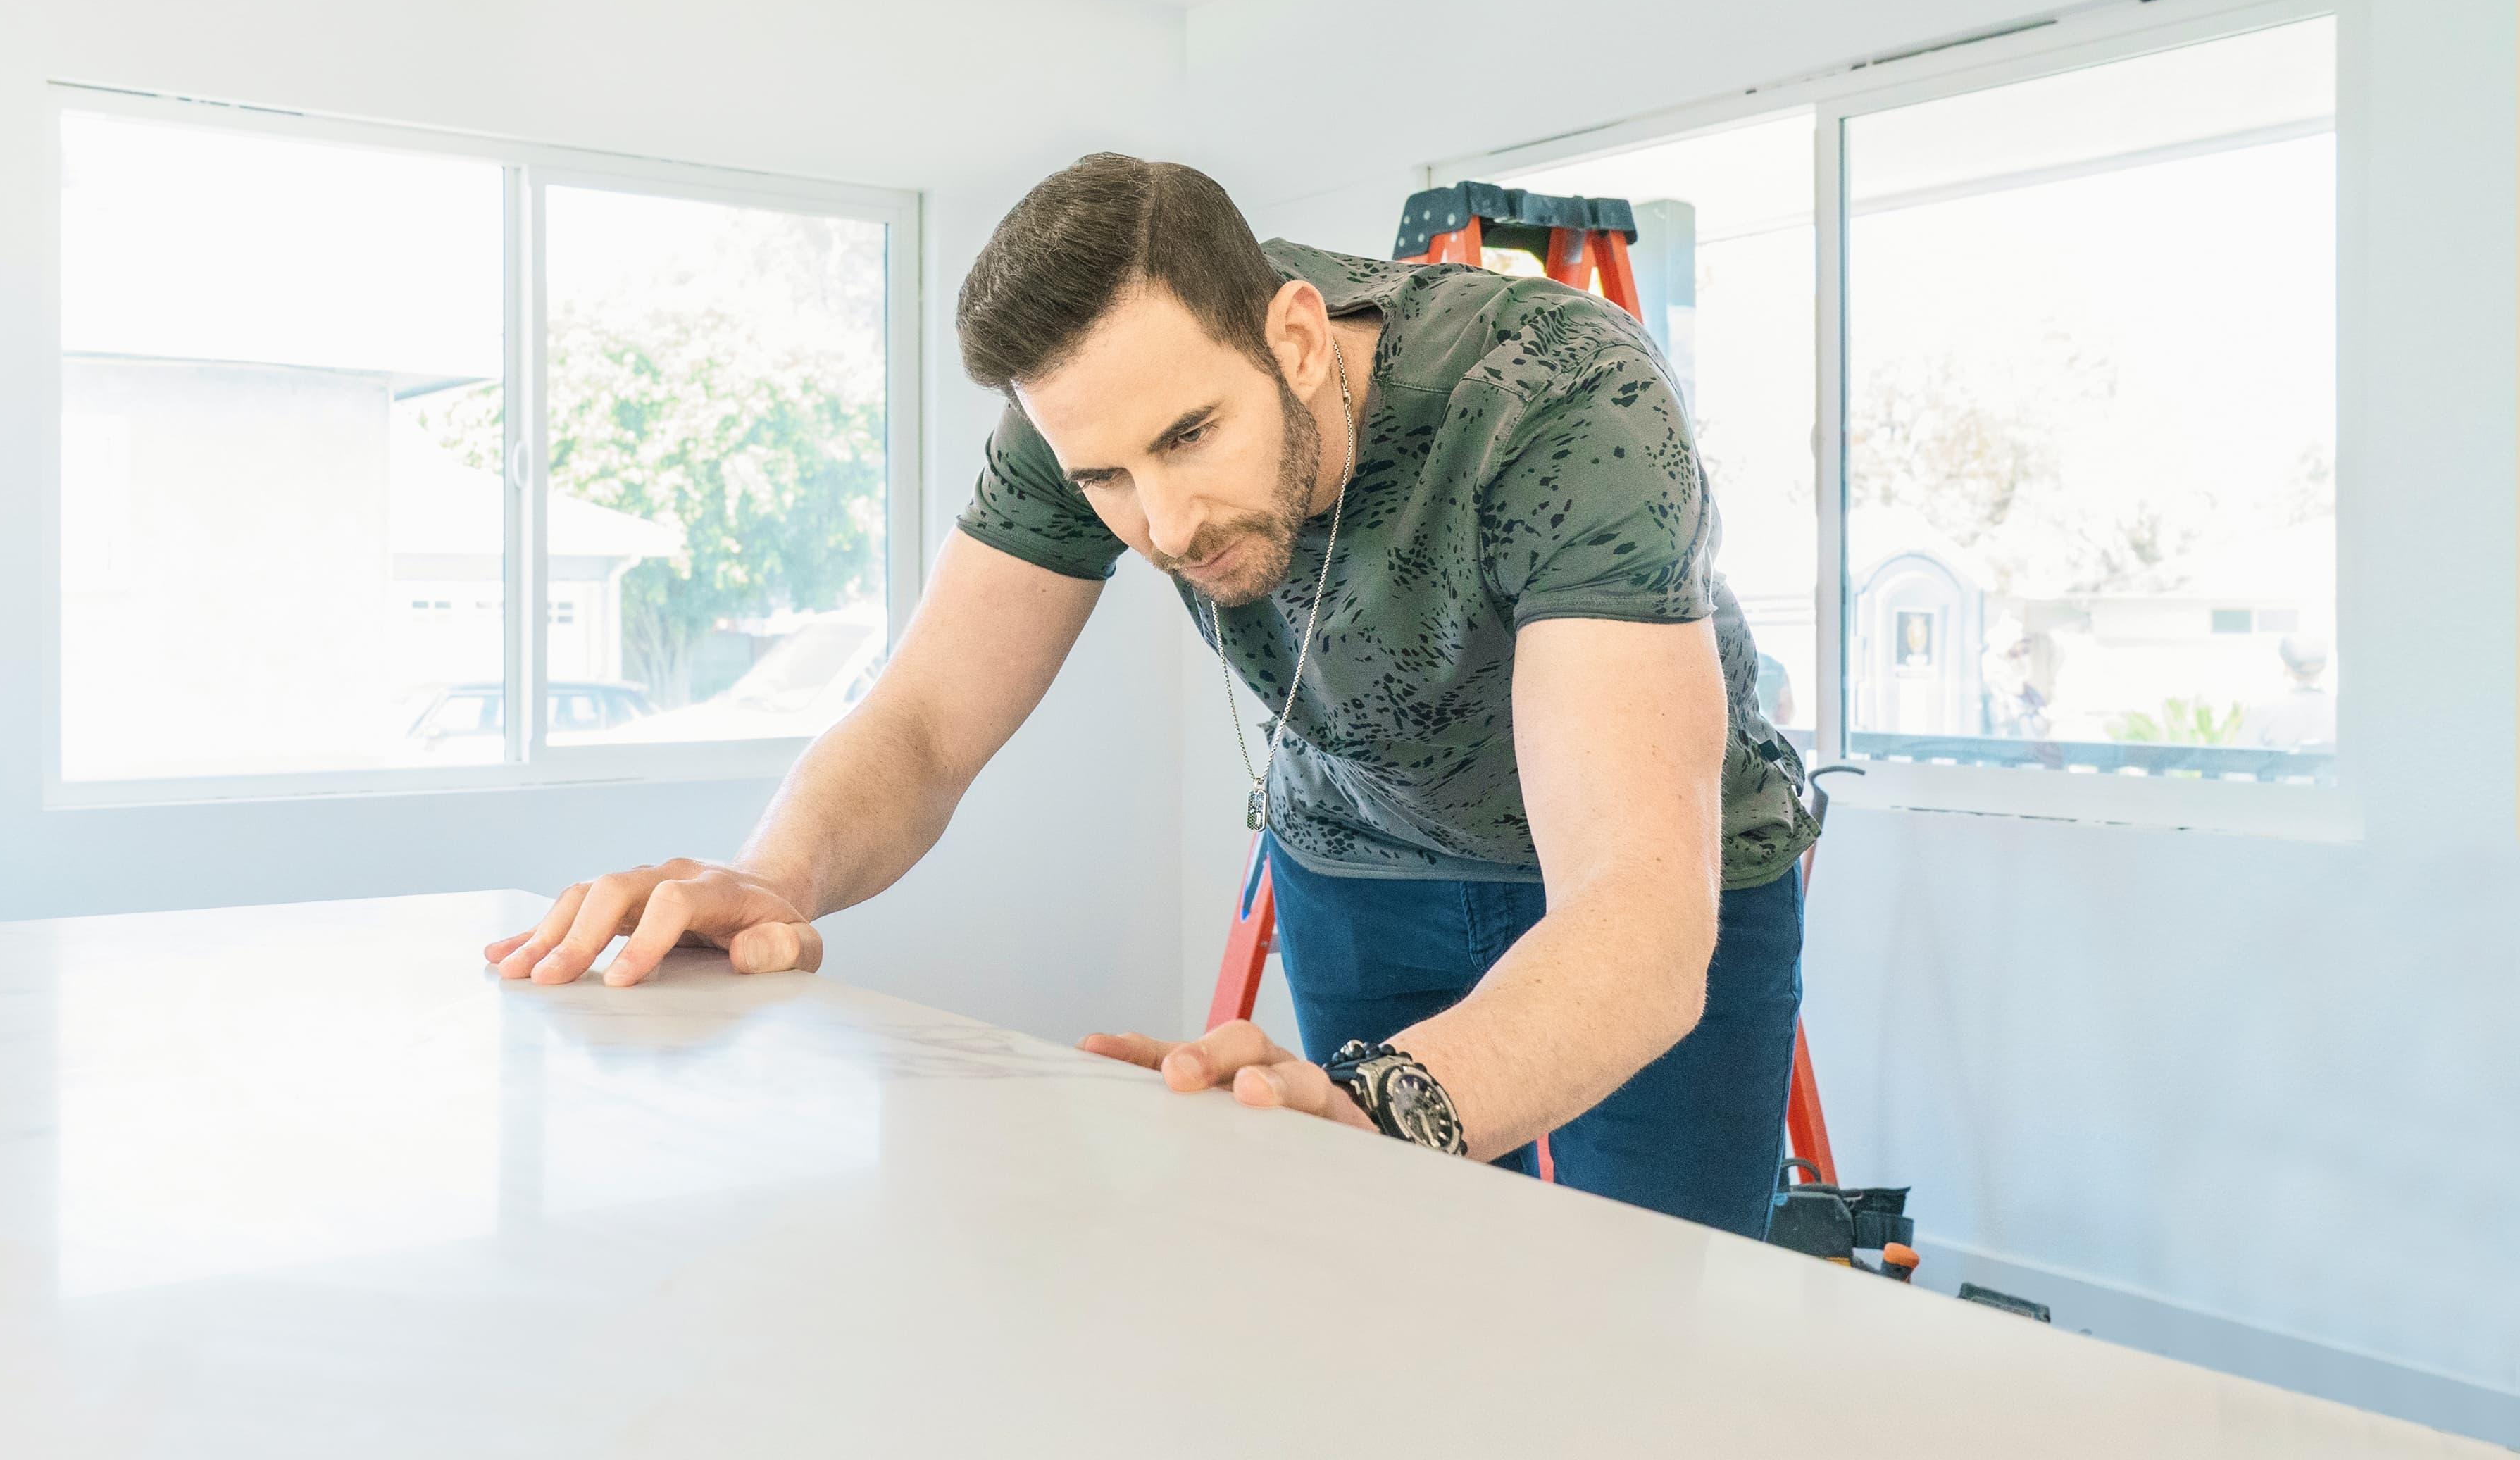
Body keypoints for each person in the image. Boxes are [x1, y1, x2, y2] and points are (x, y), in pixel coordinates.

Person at [485, 155, 1820, 1237]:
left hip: (1656, 884)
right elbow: (926, 721)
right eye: (1107, 482)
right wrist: (776, 879)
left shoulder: (1562, 395)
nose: (1165, 521)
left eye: (1191, 438)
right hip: (1356, 859)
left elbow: (1636, 913)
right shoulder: (1087, 407)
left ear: (1297, 336)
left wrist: (1386, 1103)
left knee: (1648, 1317)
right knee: (1405, 1283)